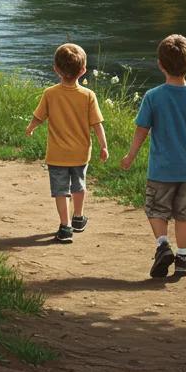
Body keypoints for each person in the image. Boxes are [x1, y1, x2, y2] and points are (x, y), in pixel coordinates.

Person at [120, 34, 186, 278]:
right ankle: (182, 256)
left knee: (155, 210)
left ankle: (163, 244)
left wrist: (130, 156)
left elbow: (142, 129)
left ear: (160, 64)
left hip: (161, 170)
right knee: (185, 214)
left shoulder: (153, 96)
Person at [25, 43, 109, 243]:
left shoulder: (50, 93)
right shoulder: (88, 96)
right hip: (80, 153)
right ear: (83, 70)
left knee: (60, 191)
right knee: (79, 185)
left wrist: (30, 127)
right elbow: (97, 125)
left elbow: (39, 117)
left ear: (55, 69)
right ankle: (78, 217)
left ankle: (65, 226)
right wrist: (104, 146)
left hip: (57, 154)